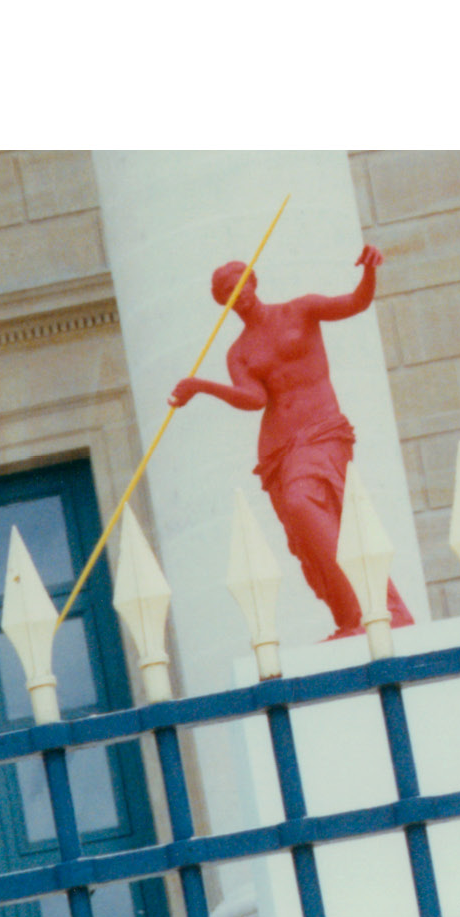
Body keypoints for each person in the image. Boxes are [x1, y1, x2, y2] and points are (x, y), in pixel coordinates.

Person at [167, 242, 409, 641]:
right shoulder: (239, 352)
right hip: (280, 444)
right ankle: (354, 615)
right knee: (312, 526)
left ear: (253, 281)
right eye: (227, 294)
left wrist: (369, 271)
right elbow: (255, 400)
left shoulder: (300, 310)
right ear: (224, 304)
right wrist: (202, 387)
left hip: (322, 429)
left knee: (306, 505)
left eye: (239, 284)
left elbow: (355, 303)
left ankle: (374, 608)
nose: (237, 294)